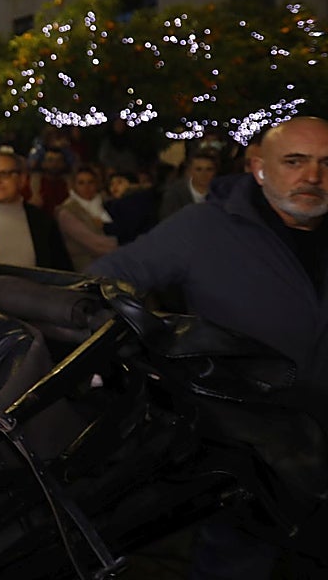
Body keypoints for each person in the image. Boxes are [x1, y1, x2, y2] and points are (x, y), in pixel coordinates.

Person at [88, 116, 328, 578]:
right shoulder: (204, 228)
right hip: (244, 462)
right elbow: (100, 285)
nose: (312, 177)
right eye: (294, 161)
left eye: (324, 164)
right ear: (258, 168)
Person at [54, 164, 118, 271]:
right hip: (87, 267)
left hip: (113, 262)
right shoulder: (67, 212)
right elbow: (95, 243)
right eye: (81, 183)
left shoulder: (106, 203)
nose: (86, 187)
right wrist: (126, 246)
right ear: (74, 185)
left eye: (90, 182)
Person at [158, 149, 219, 221]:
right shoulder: (174, 194)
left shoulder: (222, 193)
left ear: (215, 172)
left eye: (209, 169)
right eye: (198, 169)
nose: (204, 174)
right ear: (190, 171)